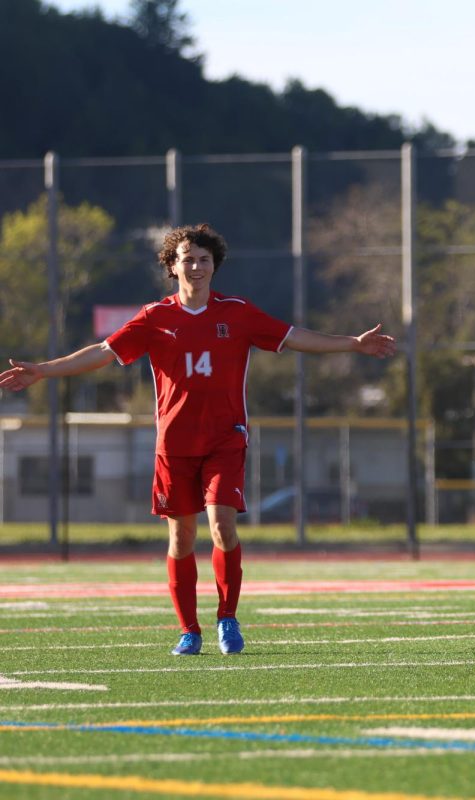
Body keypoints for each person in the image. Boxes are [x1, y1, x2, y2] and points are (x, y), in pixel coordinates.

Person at [0, 223, 396, 657]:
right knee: (181, 539)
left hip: (226, 439)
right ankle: (189, 630)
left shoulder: (238, 312)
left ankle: (228, 618)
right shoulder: (154, 318)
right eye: (187, 258)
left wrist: (352, 344)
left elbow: (294, 337)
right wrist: (43, 370)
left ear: (215, 266)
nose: (196, 265)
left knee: (223, 526)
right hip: (174, 446)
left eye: (204, 259)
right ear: (172, 266)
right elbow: (100, 353)